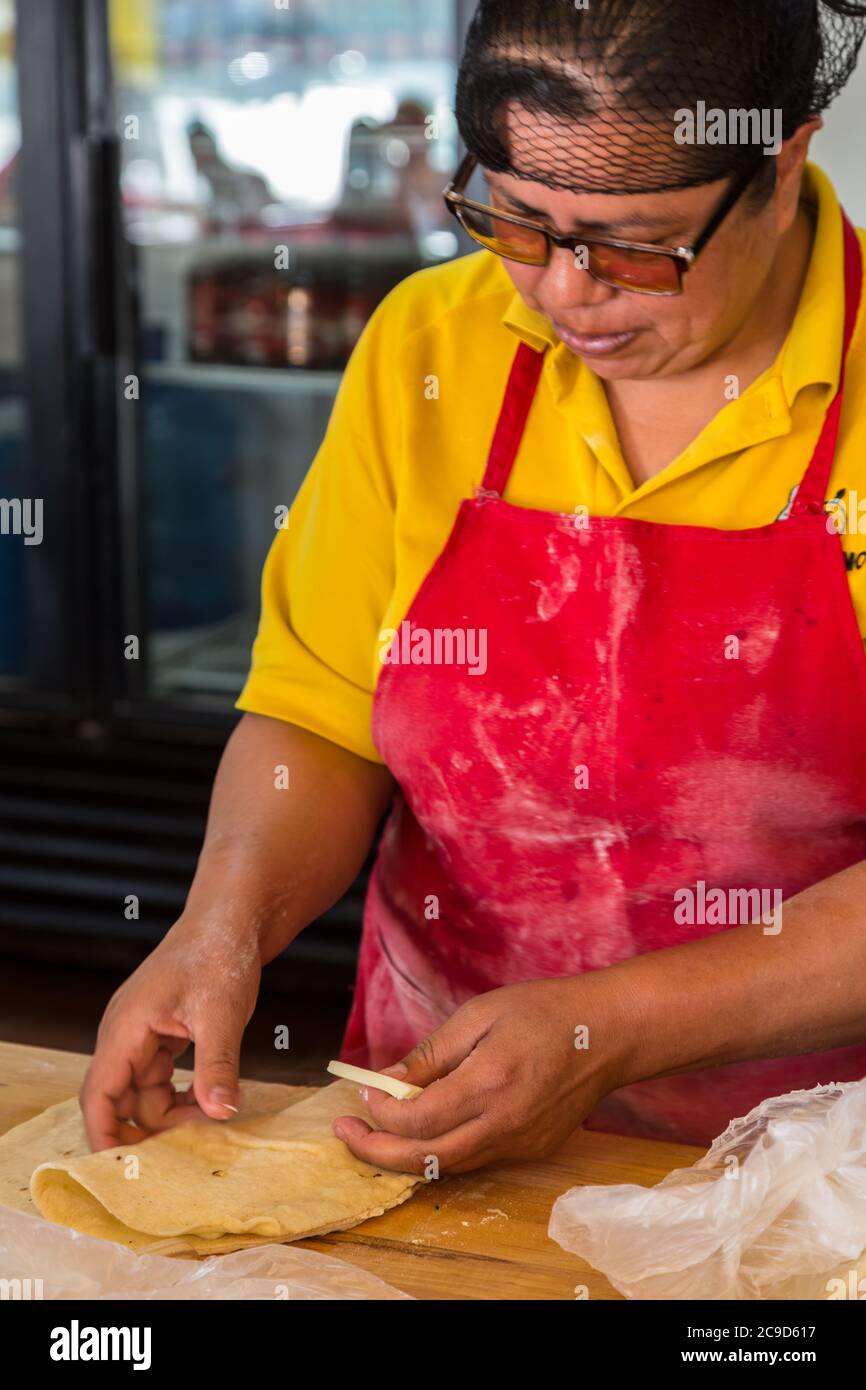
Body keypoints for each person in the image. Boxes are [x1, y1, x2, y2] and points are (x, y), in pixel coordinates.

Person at [83, 0, 866, 1171]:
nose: (559, 293)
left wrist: (606, 1029)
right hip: (428, 1117)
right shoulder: (430, 347)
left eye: (629, 245)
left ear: (782, 156)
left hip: (806, 1173)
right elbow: (319, 709)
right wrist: (221, 927)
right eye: (513, 219)